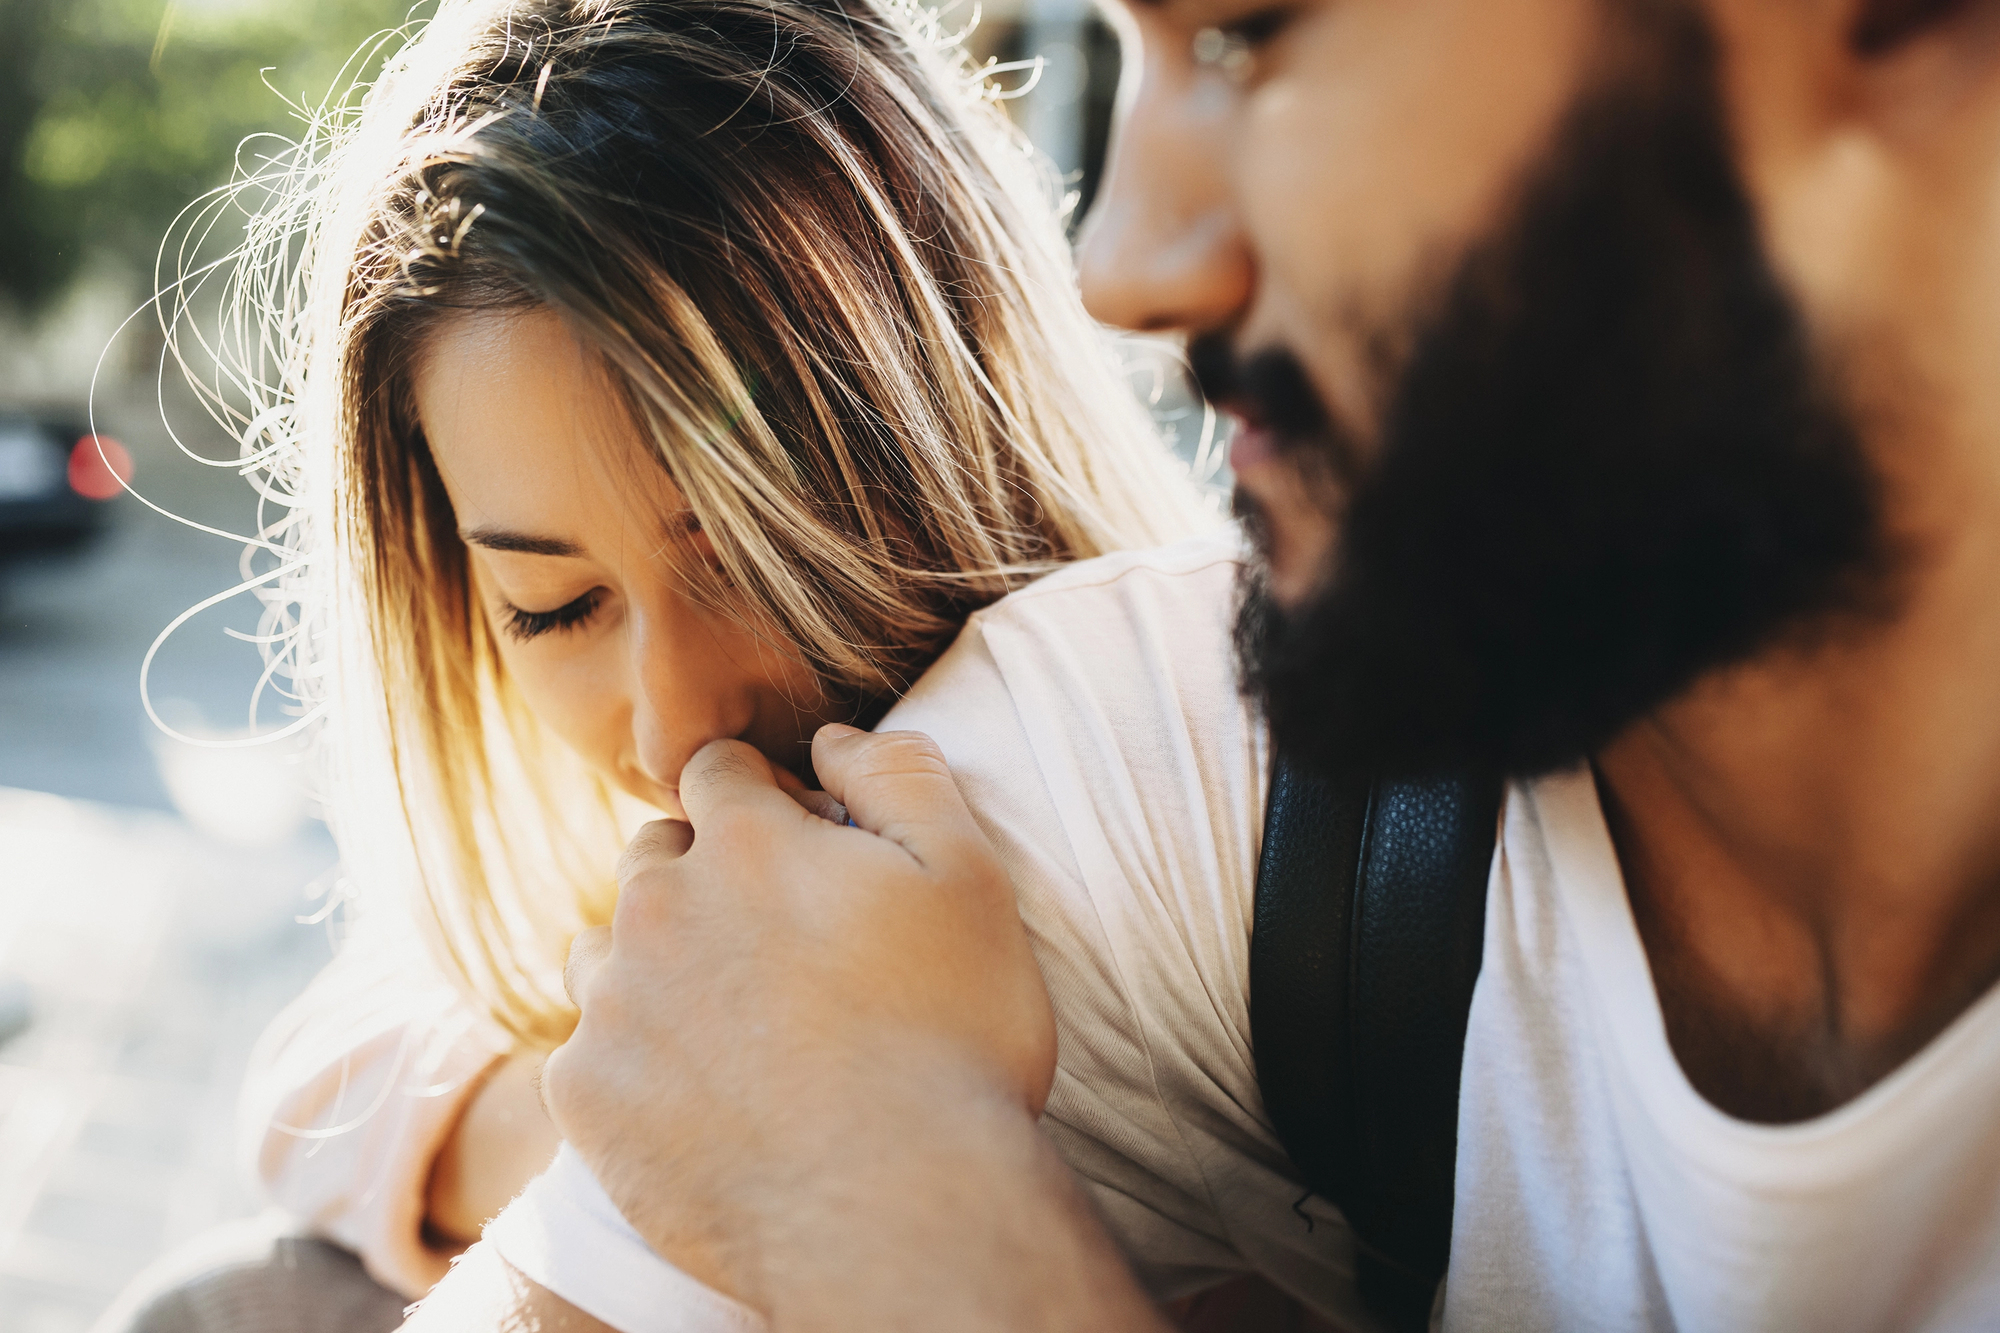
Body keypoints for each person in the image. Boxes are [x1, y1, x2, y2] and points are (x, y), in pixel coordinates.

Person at [406, 0, 2000, 1328]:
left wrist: (919, 1219)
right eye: (551, 605)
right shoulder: (1153, 746)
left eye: (1243, 33)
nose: (1119, 265)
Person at [99, 0, 1390, 1329]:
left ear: (944, 425)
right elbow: (332, 1074)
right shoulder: (712, 863)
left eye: (742, 552)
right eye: (551, 607)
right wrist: (649, 1105)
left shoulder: (1092, 772)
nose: (674, 725)